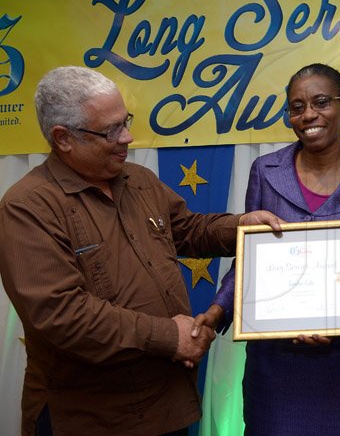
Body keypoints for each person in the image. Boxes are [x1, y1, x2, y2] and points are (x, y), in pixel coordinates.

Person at [0, 66, 282, 436]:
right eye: (110, 130)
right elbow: (62, 315)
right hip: (94, 417)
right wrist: (169, 337)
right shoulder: (28, 206)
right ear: (63, 138)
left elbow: (186, 229)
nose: (127, 138)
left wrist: (240, 226)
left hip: (166, 403)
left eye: (125, 122)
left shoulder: (138, 180)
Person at [193, 63, 340, 435]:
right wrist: (216, 312)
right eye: (297, 106)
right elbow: (248, 260)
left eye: (321, 102)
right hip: (276, 368)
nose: (308, 114)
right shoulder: (264, 171)